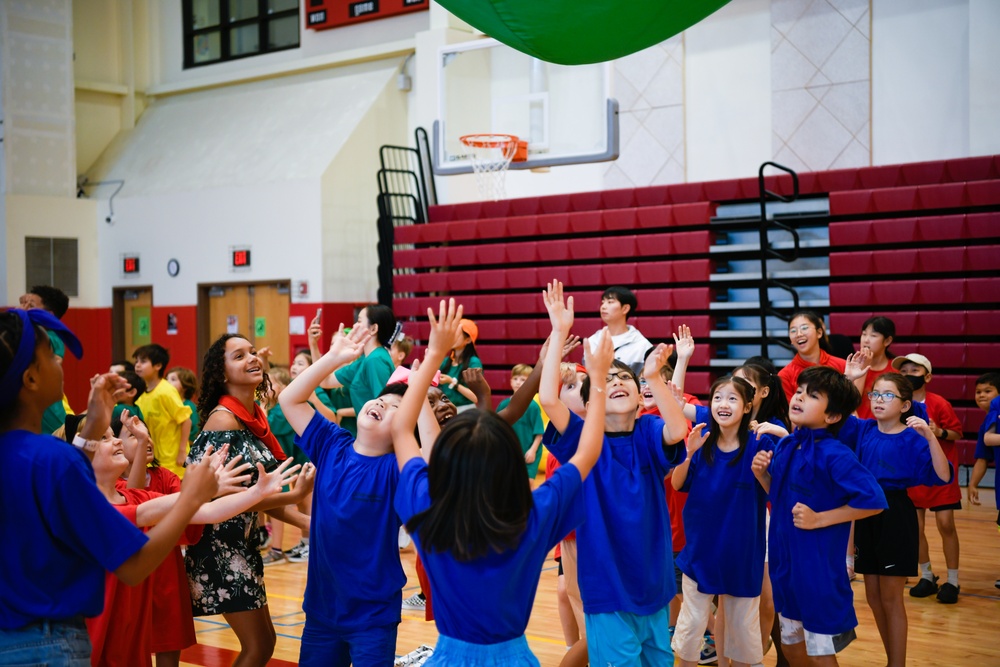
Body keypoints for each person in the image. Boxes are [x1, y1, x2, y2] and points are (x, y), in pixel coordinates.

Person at [392, 291, 609, 665]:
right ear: (510, 463)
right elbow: (588, 452)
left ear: (444, 460)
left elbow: (400, 430)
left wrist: (432, 355)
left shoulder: (427, 505)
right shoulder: (534, 514)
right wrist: (598, 378)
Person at [0, 308, 217, 665]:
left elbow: (51, 476)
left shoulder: (42, 458)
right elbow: (132, 565)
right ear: (31, 379)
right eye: (51, 356)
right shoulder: (54, 459)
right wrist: (191, 498)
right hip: (46, 645)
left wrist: (92, 428)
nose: (60, 362)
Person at [540, 282, 691, 666]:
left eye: (625, 379)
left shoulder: (647, 432)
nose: (618, 382)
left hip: (653, 585)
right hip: (606, 587)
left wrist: (654, 377)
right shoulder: (583, 439)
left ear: (641, 398)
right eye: (607, 382)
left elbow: (677, 432)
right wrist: (559, 333)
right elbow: (549, 399)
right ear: (591, 403)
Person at [81, 412, 298, 667]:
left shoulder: (135, 499)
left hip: (130, 627)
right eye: (105, 438)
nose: (116, 441)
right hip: (94, 629)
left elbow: (207, 511)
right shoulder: (85, 508)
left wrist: (256, 492)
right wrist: (199, 493)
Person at [278, 322, 409, 667]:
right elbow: (289, 398)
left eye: (396, 408)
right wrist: (332, 358)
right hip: (322, 609)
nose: (382, 404)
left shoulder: (397, 469)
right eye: (381, 399)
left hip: (373, 616)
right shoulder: (331, 443)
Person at [184, 333, 316, 667]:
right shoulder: (223, 420)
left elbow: (260, 495)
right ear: (222, 372)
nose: (253, 358)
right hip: (217, 548)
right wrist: (295, 498)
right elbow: (208, 497)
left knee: (264, 643)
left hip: (240, 545)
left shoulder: (253, 416)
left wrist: (306, 522)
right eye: (239, 356)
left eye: (253, 352)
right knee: (259, 646)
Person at [751, 366, 887, 667]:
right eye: (799, 390)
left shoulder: (836, 454)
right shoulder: (787, 444)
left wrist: (821, 519)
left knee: (820, 654)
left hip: (818, 573)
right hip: (785, 568)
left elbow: (875, 501)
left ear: (833, 416)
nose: (799, 397)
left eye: (812, 395)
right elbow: (781, 498)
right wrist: (762, 476)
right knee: (791, 647)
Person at [834, 373, 951, 667]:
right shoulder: (863, 429)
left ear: (905, 405)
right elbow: (838, 413)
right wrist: (853, 380)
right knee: (873, 595)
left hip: (896, 514)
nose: (878, 400)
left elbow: (943, 475)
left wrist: (930, 435)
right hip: (865, 513)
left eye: (888, 395)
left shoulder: (913, 437)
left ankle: (897, 664)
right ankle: (891, 660)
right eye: (875, 394)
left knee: (891, 598)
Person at [671, 376, 775, 667]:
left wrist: (762, 475)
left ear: (746, 406)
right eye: (717, 397)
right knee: (690, 631)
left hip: (742, 557)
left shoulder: (759, 443)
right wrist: (688, 453)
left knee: (742, 634)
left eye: (732, 398)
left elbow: (776, 493)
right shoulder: (701, 440)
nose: (723, 404)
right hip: (700, 555)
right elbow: (678, 484)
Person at [892, 353, 964, 603]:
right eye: (903, 371)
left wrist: (938, 431)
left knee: (946, 525)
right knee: (916, 528)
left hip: (940, 475)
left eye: (914, 370)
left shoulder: (939, 403)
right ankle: (927, 575)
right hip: (913, 476)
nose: (908, 375)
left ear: (927, 376)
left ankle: (953, 580)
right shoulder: (899, 405)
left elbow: (956, 432)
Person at [318, 304, 398, 419]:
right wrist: (332, 355)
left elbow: (384, 407)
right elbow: (325, 381)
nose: (355, 325)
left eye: (359, 321)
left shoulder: (375, 359)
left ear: (373, 329)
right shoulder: (364, 360)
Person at [19, 285, 74, 434]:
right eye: (23, 304)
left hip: (50, 409)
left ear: (48, 315)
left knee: (65, 440)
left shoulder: (51, 338)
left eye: (31, 306)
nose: (24, 309)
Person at [134, 344, 192, 478]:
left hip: (172, 460)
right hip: (153, 460)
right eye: (136, 361)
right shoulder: (141, 393)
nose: (137, 365)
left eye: (143, 361)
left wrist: (182, 451)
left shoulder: (166, 391)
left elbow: (186, 420)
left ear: (158, 366)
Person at [968, 371, 1000, 590]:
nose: (981, 396)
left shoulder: (998, 406)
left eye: (988, 391)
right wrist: (973, 483)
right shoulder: (986, 423)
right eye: (978, 392)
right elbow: (982, 457)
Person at [777, 311, 847, 401]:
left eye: (804, 328)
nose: (799, 334)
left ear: (819, 333)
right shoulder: (785, 375)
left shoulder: (842, 365)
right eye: (793, 331)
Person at [584, 285, 652, 375]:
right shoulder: (592, 341)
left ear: (625, 308)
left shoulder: (642, 345)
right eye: (603, 302)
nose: (603, 306)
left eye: (610, 302)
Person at [498, 364, 545, 485]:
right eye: (515, 378)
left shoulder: (533, 406)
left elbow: (539, 432)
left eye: (523, 379)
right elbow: (496, 428)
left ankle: (535, 504)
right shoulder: (503, 405)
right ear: (510, 381)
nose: (518, 382)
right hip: (511, 451)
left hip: (529, 450)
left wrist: (533, 450)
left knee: (528, 483)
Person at [855, 317, 896, 420]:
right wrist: (863, 367)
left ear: (887, 341)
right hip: (858, 428)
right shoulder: (851, 366)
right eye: (864, 334)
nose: (866, 340)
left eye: (873, 335)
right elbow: (852, 401)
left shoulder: (896, 370)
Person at [436, 318, 482, 409]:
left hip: (466, 411)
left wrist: (452, 382)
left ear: (468, 340)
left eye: (457, 334)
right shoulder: (445, 361)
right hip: (446, 409)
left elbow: (475, 397)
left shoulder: (474, 362)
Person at [166, 366, 201, 442]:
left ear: (185, 386)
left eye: (173, 379)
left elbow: (195, 431)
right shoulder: (166, 404)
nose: (167, 382)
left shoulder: (189, 406)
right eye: (166, 379)